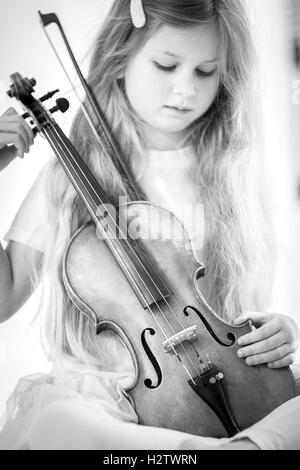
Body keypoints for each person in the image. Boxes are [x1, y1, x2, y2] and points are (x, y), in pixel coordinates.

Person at [0, 0, 300, 450]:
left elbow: (235, 314)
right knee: (58, 422)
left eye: (205, 72)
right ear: (120, 60)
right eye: (166, 65)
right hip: (111, 395)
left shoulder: (230, 173)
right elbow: (5, 297)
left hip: (216, 372)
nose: (185, 89)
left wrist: (279, 331)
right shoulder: (69, 176)